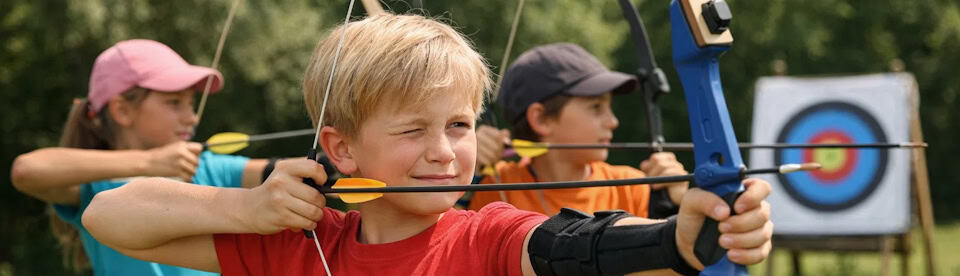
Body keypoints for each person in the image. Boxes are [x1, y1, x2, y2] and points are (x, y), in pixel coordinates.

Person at [80, 13, 773, 275]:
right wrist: (247, 210)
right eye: (413, 130)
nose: (445, 152)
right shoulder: (299, 242)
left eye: (460, 125)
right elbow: (108, 214)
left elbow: (573, 246)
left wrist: (683, 240)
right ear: (341, 150)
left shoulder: (486, 237)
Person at [9, 39, 274, 275]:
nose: (191, 117)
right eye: (174, 102)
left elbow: (280, 172)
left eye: (191, 104)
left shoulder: (207, 168)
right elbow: (26, 170)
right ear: (122, 111)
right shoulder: (96, 185)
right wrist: (151, 163)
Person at [469, 43, 688, 218]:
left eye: (609, 107)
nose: (613, 121)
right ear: (541, 119)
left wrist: (678, 204)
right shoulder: (495, 188)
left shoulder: (632, 188)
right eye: (596, 107)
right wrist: (468, 168)